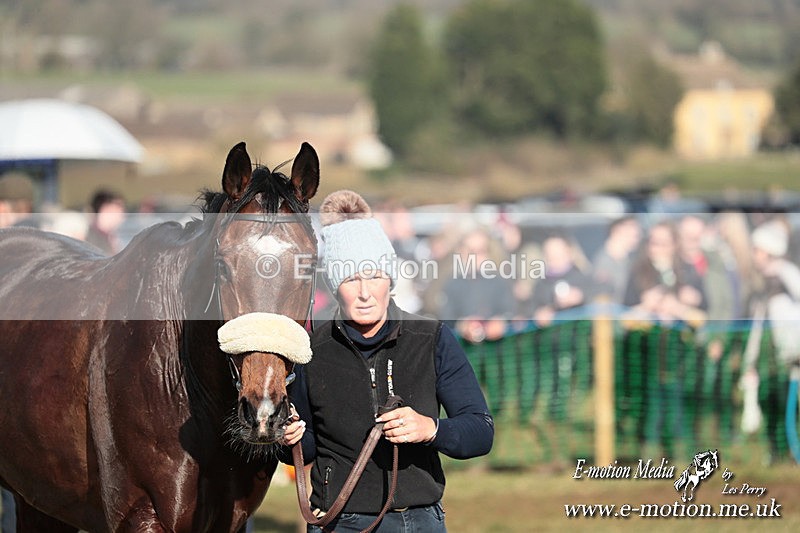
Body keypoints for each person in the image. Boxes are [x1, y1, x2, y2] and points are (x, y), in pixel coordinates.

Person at [280, 190, 494, 533]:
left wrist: (431, 429)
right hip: (339, 521)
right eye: (351, 279)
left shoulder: (431, 338)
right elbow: (304, 448)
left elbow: (481, 433)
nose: (365, 292)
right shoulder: (310, 349)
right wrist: (286, 436)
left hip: (421, 519)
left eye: (374, 276)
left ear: (390, 280)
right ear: (336, 286)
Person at [85, 189, 126, 255]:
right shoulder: (92, 240)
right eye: (118, 209)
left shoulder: (110, 237)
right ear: (105, 209)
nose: (122, 215)